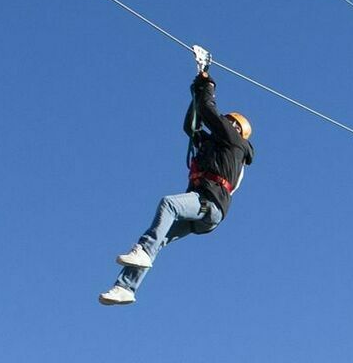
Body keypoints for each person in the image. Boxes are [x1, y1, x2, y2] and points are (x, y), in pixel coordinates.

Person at [100, 68, 254, 305]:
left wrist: (208, 85)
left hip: (209, 203)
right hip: (205, 209)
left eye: (231, 122)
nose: (226, 122)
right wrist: (195, 92)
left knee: (169, 204)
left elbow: (208, 110)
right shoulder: (215, 144)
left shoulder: (235, 142)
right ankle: (125, 288)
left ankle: (141, 250)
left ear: (237, 131)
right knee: (160, 239)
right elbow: (191, 126)